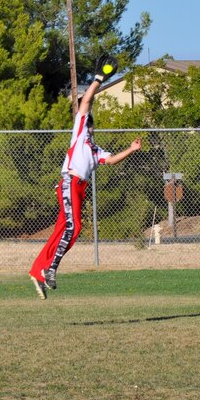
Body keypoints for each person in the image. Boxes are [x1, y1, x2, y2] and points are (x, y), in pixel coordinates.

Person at [29, 59, 141, 300]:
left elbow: (110, 161)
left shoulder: (94, 148)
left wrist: (130, 150)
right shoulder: (79, 131)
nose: (90, 123)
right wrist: (99, 79)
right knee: (74, 227)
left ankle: (38, 270)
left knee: (63, 228)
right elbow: (86, 101)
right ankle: (50, 269)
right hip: (70, 182)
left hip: (79, 188)